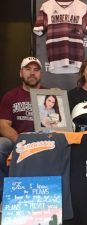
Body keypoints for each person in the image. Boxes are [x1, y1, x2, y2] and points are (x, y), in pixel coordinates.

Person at [0, 56, 43, 201]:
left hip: (44, 141)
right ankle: (5, 195)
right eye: (28, 69)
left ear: (40, 74)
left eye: (36, 70)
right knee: (0, 145)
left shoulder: (50, 95)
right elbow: (3, 125)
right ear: (20, 73)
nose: (32, 73)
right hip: (17, 142)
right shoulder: (11, 96)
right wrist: (20, 141)